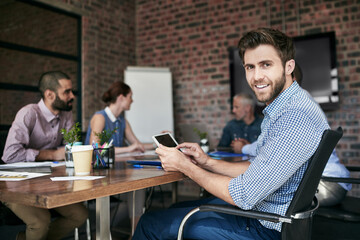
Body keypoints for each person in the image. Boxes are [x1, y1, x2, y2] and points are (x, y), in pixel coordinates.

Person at [132, 28, 330, 239]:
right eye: (250, 67)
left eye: (266, 65)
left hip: (264, 227)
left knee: (150, 222)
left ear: (289, 66)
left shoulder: (295, 117)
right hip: (262, 214)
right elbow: (256, 167)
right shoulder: (287, 107)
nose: (256, 76)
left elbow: (244, 195)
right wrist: (206, 161)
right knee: (175, 208)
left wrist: (185, 166)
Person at [236, 63, 351, 206]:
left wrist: (243, 149)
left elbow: (268, 149)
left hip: (325, 185)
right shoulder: (301, 101)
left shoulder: (295, 108)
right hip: (329, 181)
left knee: (263, 194)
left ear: (292, 78)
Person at [1, 71, 88, 240]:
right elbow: (10, 155)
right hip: (15, 185)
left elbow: (71, 146)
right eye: (67, 92)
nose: (72, 96)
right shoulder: (28, 113)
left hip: (48, 182)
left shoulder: (66, 113)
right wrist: (53, 154)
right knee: (40, 221)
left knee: (80, 214)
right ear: (49, 94)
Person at [85, 81, 153, 231]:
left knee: (138, 186)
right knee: (135, 189)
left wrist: (158, 142)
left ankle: (134, 234)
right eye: (130, 97)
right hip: (98, 176)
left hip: (116, 174)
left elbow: (138, 145)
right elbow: (94, 148)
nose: (132, 100)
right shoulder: (100, 117)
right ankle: (104, 230)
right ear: (121, 98)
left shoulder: (123, 121)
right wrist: (128, 148)